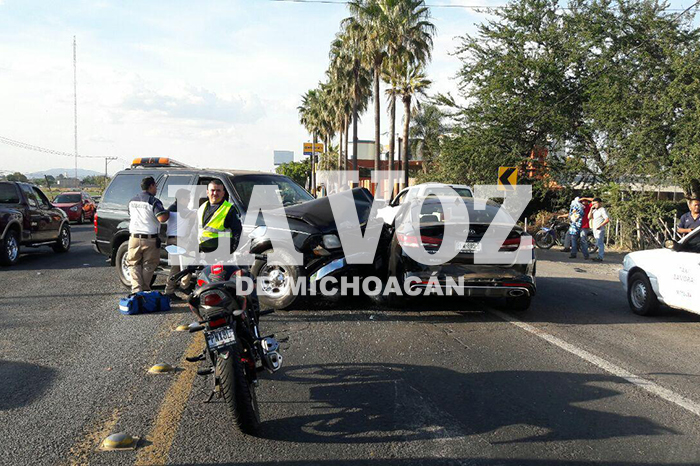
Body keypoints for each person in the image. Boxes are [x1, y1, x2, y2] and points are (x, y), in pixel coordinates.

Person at [127, 177, 169, 293]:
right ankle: (145, 290)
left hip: (134, 238)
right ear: (151, 186)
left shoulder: (132, 201)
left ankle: (136, 290)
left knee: (133, 264)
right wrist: (169, 212)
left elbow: (130, 214)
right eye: (155, 186)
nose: (156, 189)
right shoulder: (153, 201)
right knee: (149, 265)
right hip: (149, 239)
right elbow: (162, 218)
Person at [164, 190, 196, 301]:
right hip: (178, 240)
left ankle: (172, 290)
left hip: (172, 239)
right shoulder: (181, 209)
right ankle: (182, 287)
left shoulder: (173, 207)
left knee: (177, 266)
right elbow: (196, 215)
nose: (189, 201)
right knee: (187, 263)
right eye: (188, 198)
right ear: (182, 199)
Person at [198, 179, 242, 255]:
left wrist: (232, 251)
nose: (215, 193)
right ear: (207, 192)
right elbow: (195, 230)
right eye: (212, 190)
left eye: (218, 190)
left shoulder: (229, 209)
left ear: (223, 193)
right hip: (202, 252)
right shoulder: (202, 207)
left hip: (220, 253)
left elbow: (237, 232)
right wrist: (190, 248)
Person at [589, 197, 609, 262]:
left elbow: (607, 219)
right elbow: (589, 217)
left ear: (600, 203)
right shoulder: (595, 210)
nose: (594, 205)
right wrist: (591, 209)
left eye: (595, 203)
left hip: (600, 229)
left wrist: (600, 226)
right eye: (593, 204)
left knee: (600, 244)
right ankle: (598, 256)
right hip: (595, 229)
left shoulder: (602, 210)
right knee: (598, 243)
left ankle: (600, 257)